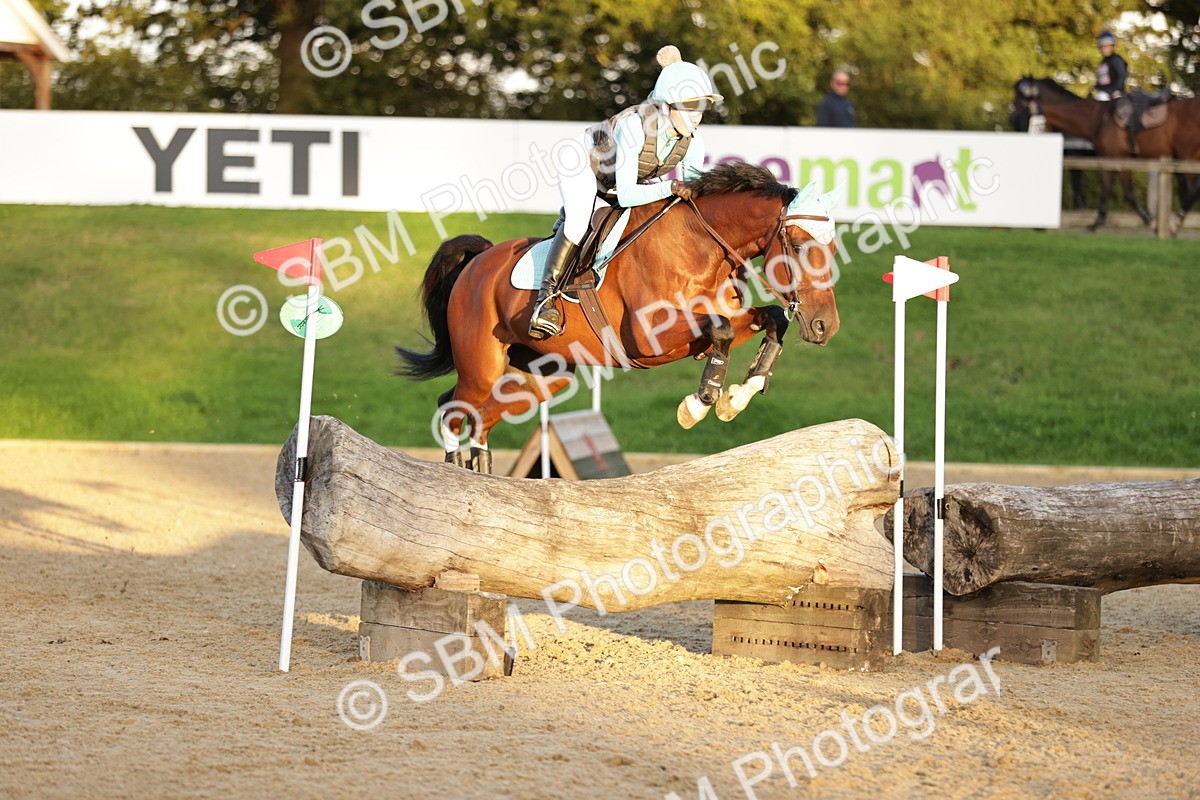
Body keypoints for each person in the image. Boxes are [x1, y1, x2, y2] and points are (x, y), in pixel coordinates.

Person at [529, 45, 722, 340]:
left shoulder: (693, 142)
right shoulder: (635, 126)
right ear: (667, 104)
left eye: (701, 108)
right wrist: (670, 187)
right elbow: (628, 196)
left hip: (622, 180)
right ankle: (545, 302)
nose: (697, 117)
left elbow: (693, 198)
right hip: (583, 163)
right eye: (690, 106)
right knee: (580, 221)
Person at [1094, 30, 1127, 101]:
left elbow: (1121, 76)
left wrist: (1111, 91)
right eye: (1102, 47)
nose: (1104, 49)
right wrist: (1095, 87)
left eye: (1107, 46)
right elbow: (1102, 80)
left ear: (1112, 46)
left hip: (1116, 93)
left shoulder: (1116, 60)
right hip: (1103, 93)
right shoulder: (1103, 62)